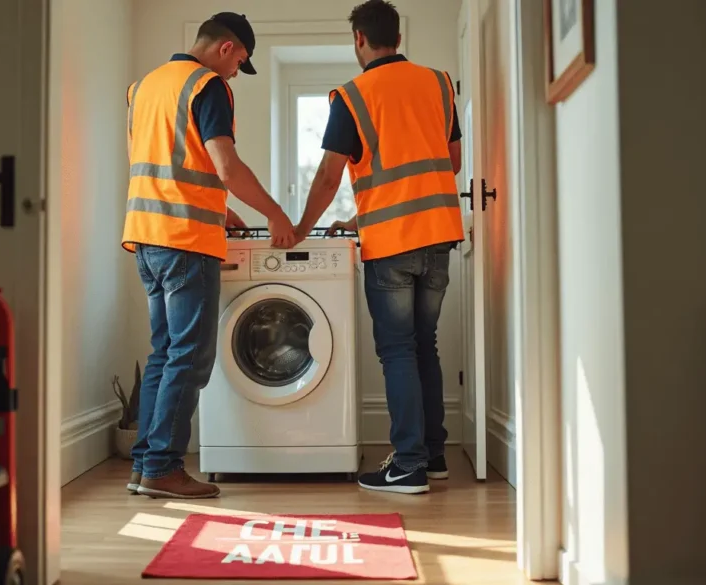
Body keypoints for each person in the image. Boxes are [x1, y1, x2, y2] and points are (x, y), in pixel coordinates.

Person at [291, 0, 464, 494]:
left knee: (396, 351)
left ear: (359, 41)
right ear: (398, 38)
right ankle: (432, 456)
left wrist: (302, 227)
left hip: (391, 243)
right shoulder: (438, 83)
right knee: (422, 347)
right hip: (438, 236)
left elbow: (328, 175)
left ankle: (407, 465)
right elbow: (451, 162)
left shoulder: (352, 96)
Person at [122, 12, 297, 499]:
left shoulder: (145, 87)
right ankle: (162, 468)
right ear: (226, 48)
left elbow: (164, 163)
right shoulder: (208, 86)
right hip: (184, 240)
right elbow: (225, 165)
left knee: (164, 352)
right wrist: (275, 213)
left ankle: (144, 465)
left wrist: (220, 211)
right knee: (192, 356)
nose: (237, 70)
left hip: (146, 234)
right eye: (240, 61)